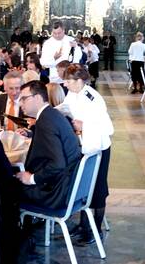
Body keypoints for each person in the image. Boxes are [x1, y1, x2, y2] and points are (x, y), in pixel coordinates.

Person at [58, 65, 113, 245]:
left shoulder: (93, 99)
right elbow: (67, 107)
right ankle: (83, 226)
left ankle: (95, 231)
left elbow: (107, 128)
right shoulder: (74, 93)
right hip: (84, 146)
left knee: (97, 190)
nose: (65, 84)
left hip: (98, 149)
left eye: (68, 81)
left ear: (79, 80)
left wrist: (84, 126)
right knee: (83, 188)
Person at [17, 81, 81, 210]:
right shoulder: (52, 114)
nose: (20, 103)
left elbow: (57, 164)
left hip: (56, 193)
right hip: (71, 187)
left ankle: (17, 229)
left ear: (38, 98)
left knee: (3, 185)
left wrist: (31, 179)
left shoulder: (46, 121)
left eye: (24, 99)